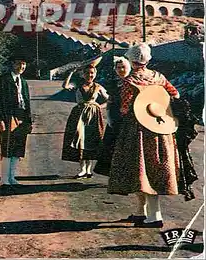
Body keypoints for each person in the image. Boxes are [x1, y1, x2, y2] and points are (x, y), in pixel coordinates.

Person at [107, 43, 181, 228]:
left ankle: (154, 216)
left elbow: (124, 109)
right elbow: (176, 94)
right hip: (159, 127)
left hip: (137, 130)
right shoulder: (159, 76)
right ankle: (142, 212)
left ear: (131, 60)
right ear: (147, 60)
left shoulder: (129, 80)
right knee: (154, 168)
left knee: (141, 170)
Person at [0, 56, 32, 192]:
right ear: (12, 64)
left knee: (18, 149)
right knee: (7, 147)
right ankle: (4, 180)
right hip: (8, 117)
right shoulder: (2, 80)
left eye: (24, 64)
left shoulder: (24, 82)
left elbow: (27, 102)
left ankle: (12, 177)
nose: (22, 67)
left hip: (22, 118)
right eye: (19, 63)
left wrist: (28, 121)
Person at [62, 64, 109, 178]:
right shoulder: (78, 85)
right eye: (87, 73)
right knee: (79, 139)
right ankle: (82, 169)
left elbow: (109, 99)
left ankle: (88, 170)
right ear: (83, 74)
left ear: (95, 74)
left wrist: (99, 106)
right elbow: (65, 86)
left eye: (92, 73)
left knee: (91, 140)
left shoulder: (98, 87)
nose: (89, 75)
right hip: (79, 115)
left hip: (93, 116)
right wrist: (71, 73)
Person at [94, 56, 131, 176]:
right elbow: (109, 101)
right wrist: (108, 116)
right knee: (111, 146)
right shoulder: (114, 83)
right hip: (115, 118)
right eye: (118, 68)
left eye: (123, 67)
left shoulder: (133, 82)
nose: (121, 70)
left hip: (129, 118)